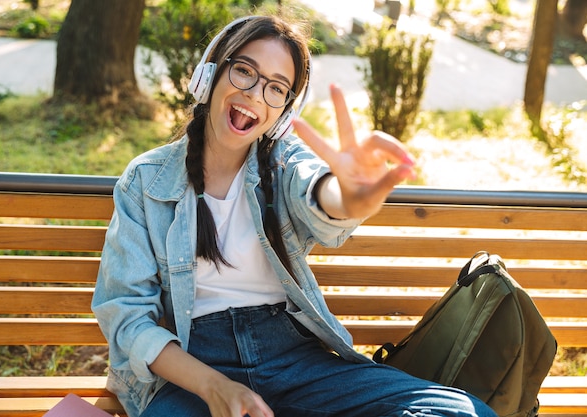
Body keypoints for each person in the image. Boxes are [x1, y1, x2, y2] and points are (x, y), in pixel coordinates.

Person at [92, 14, 497, 417]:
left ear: (284, 111)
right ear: (209, 75)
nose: (255, 94)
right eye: (244, 71)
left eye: (276, 88)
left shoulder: (285, 164)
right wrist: (214, 386)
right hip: (195, 370)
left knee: (463, 413)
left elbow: (318, 191)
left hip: (295, 357)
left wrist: (348, 199)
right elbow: (127, 317)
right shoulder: (146, 181)